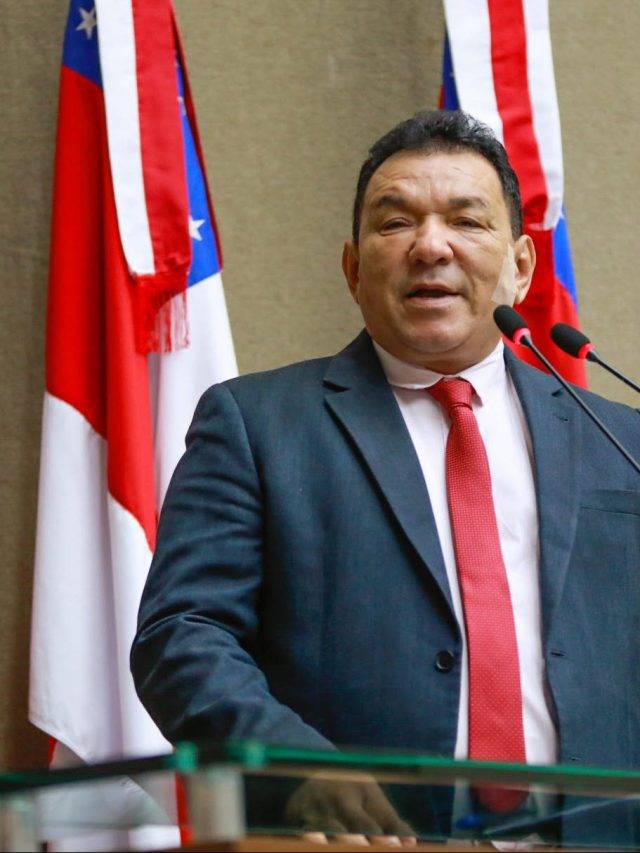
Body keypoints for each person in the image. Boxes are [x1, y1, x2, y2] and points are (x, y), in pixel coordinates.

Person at [131, 110, 640, 843]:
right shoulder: (258, 425)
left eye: (466, 221)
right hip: (362, 842)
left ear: (522, 266)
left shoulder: (617, 439)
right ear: (353, 269)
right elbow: (182, 634)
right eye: (396, 223)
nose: (430, 246)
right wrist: (298, 766)